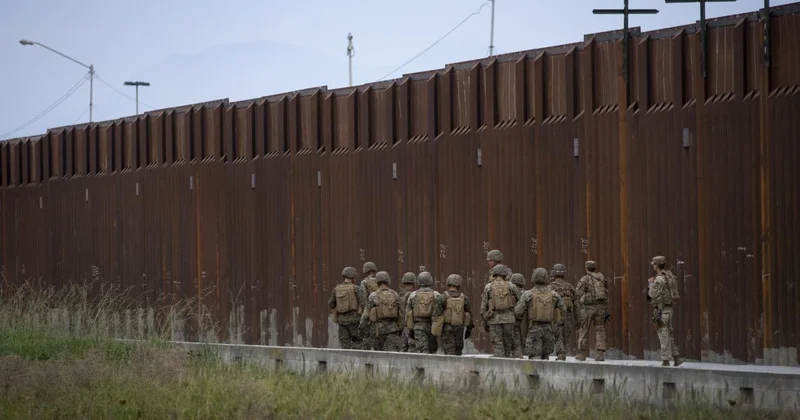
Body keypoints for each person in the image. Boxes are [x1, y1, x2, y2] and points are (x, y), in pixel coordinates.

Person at [515, 267, 565, 359]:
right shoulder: (554, 295)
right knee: (545, 357)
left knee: (534, 357)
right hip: (549, 329)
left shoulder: (528, 294)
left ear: (533, 277)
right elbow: (563, 309)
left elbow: (518, 312)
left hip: (534, 329)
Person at [648, 256, 683, 367]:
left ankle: (666, 360)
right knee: (668, 334)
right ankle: (676, 357)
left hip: (662, 310)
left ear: (657, 265)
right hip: (668, 309)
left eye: (654, 264)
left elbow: (652, 294)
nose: (653, 266)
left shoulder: (659, 279)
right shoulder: (669, 275)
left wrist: (650, 284)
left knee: (663, 334)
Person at [480, 264, 522, 357]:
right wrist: (516, 316)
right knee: (508, 344)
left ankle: (499, 363)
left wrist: (485, 319)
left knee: (498, 344)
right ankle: (507, 362)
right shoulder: (511, 286)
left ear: (494, 274)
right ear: (505, 274)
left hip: (494, 319)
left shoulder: (488, 287)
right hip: (509, 320)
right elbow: (520, 302)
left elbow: (483, 307)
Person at [358, 271, 403, 352]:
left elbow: (365, 315)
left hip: (377, 332)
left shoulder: (373, 296)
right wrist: (400, 330)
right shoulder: (395, 294)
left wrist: (361, 328)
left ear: (377, 282)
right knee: (392, 355)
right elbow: (403, 313)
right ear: (388, 281)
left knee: (379, 356)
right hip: (393, 330)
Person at [575, 260, 608, 361]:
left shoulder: (585, 279)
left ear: (586, 268)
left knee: (584, 329)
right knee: (600, 329)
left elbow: (578, 293)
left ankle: (582, 354)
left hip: (588, 308)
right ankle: (600, 354)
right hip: (600, 308)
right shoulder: (601, 278)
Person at [328, 266, 367, 349]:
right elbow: (363, 303)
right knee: (358, 342)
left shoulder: (336, 289)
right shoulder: (356, 288)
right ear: (353, 277)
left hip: (342, 321)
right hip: (355, 321)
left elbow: (331, 304)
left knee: (345, 345)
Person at [405, 271, 442, 353]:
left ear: (418, 281)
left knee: (422, 351)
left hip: (418, 327)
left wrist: (410, 329)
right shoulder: (437, 295)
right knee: (432, 351)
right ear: (430, 281)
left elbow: (408, 314)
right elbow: (441, 313)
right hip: (433, 327)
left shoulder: (413, 295)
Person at [439, 274, 473, 355]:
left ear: (448, 284)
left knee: (449, 352)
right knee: (458, 351)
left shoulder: (443, 297)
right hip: (459, 328)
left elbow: (436, 314)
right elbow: (469, 315)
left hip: (447, 328)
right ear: (459, 285)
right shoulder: (464, 298)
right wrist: (469, 329)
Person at [548, 264, 576, 360]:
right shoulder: (570, 286)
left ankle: (561, 353)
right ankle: (562, 352)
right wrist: (578, 318)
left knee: (558, 334)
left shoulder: (550, 287)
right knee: (565, 334)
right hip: (568, 315)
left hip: (557, 314)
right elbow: (576, 303)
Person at [359, 262, 379, 350]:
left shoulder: (364, 282)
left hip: (369, 314)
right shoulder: (380, 280)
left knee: (367, 339)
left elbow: (363, 300)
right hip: (381, 313)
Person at [398, 272, 417, 352]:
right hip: (410, 326)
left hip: (401, 325)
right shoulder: (412, 295)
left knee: (402, 348)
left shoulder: (400, 294)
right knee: (413, 348)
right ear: (413, 283)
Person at [509, 272, 527, 358]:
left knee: (515, 341)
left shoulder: (510, 292)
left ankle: (517, 356)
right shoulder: (526, 293)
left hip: (513, 320)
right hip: (525, 321)